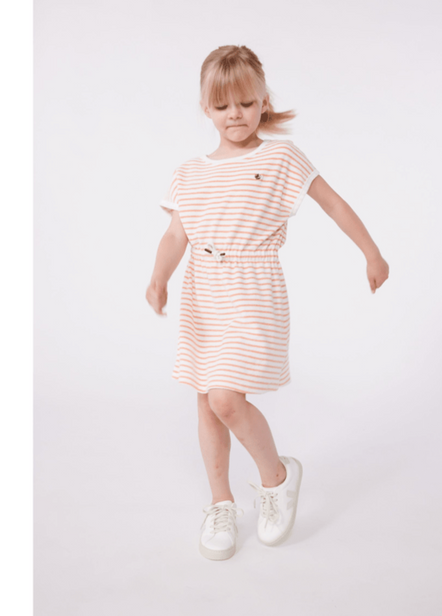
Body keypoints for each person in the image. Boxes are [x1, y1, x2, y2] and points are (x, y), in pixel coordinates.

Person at [146, 45, 389, 561]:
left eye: (245, 103)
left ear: (263, 102)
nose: (234, 115)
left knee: (225, 398)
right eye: (222, 106)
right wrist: (158, 278)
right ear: (206, 108)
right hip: (202, 292)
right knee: (206, 399)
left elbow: (332, 203)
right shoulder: (189, 172)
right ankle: (221, 504)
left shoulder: (280, 157)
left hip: (253, 289)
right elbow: (175, 235)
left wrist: (371, 252)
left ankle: (276, 477)